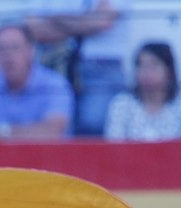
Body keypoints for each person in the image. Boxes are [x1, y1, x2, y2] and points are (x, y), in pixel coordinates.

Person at [26, 0, 127, 136]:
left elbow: (102, 21)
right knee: (56, 128)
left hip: (101, 68)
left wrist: (55, 19)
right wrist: (84, 23)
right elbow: (34, 28)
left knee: (93, 127)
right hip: (56, 65)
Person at [104, 40, 181, 141]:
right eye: (140, 65)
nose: (145, 72)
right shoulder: (122, 105)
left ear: (169, 71)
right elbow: (113, 146)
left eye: (153, 65)